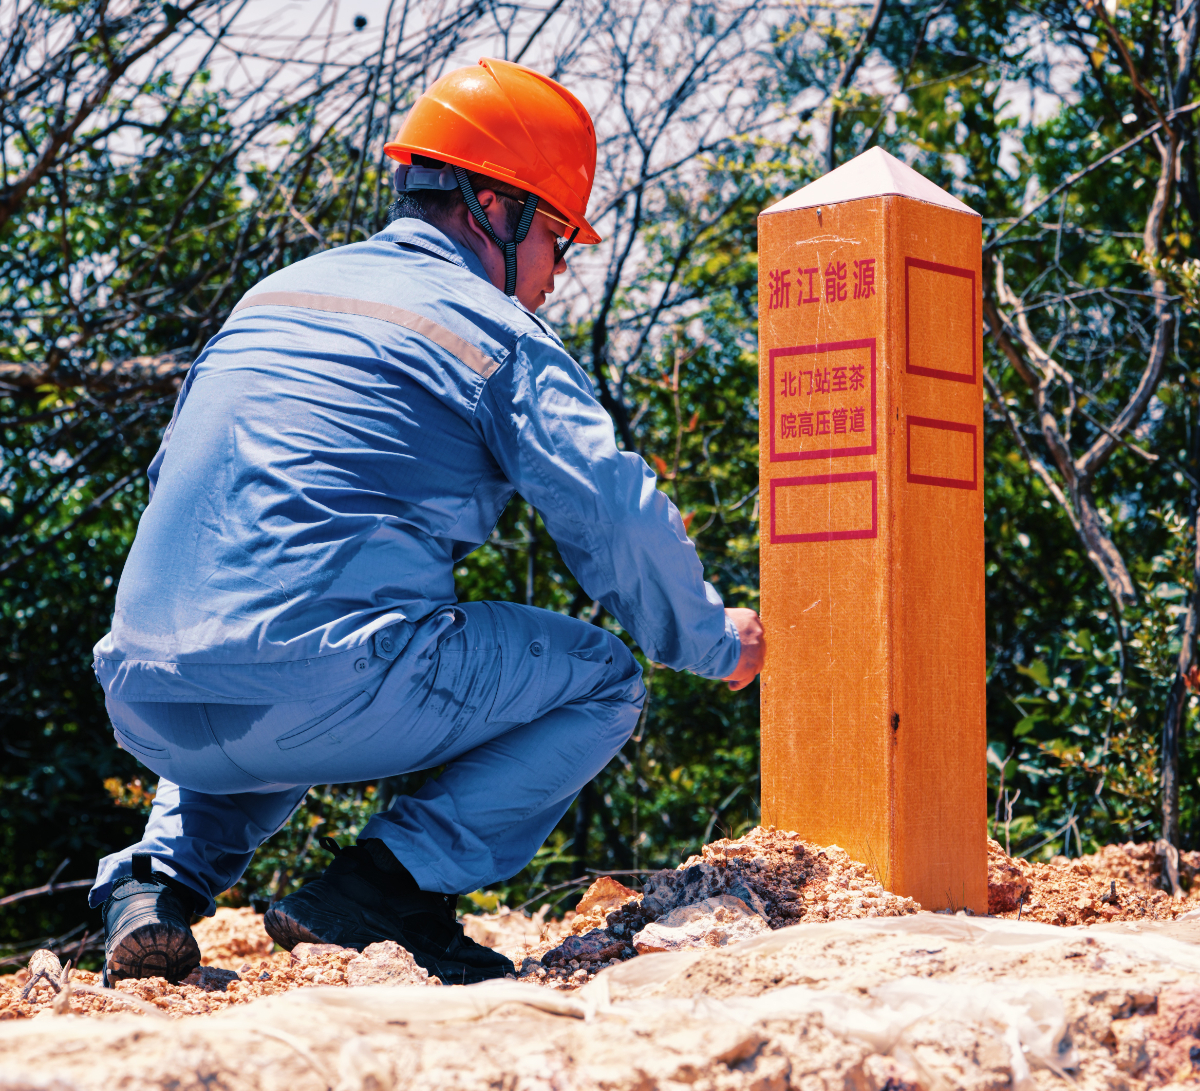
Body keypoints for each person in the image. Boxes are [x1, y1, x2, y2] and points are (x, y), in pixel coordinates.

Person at [90, 57, 765, 986]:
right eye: (558, 239)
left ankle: (154, 884)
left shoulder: (273, 298)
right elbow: (612, 508)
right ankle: (385, 889)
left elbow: (181, 484)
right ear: (497, 208)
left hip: (146, 693)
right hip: (312, 687)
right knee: (603, 678)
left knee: (259, 640)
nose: (558, 275)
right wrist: (713, 640)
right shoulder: (491, 331)